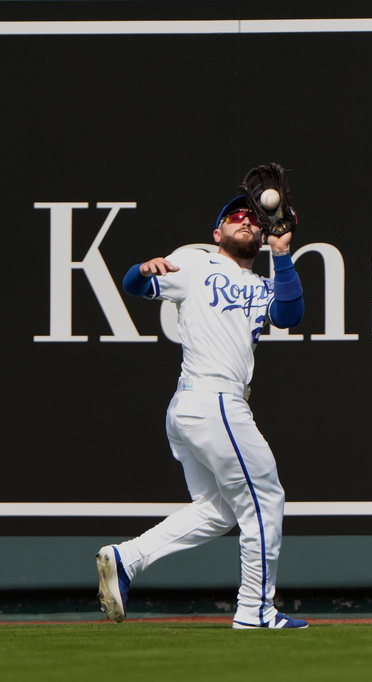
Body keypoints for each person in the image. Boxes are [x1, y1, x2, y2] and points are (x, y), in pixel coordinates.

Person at [96, 195, 307, 629]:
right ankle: (255, 610)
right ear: (217, 233)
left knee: (219, 510)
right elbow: (133, 285)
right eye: (235, 217)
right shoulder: (195, 263)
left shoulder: (266, 283)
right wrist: (142, 270)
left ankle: (127, 558)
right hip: (212, 400)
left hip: (198, 407)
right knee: (265, 498)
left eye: (252, 217)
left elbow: (291, 315)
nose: (246, 220)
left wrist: (282, 254)